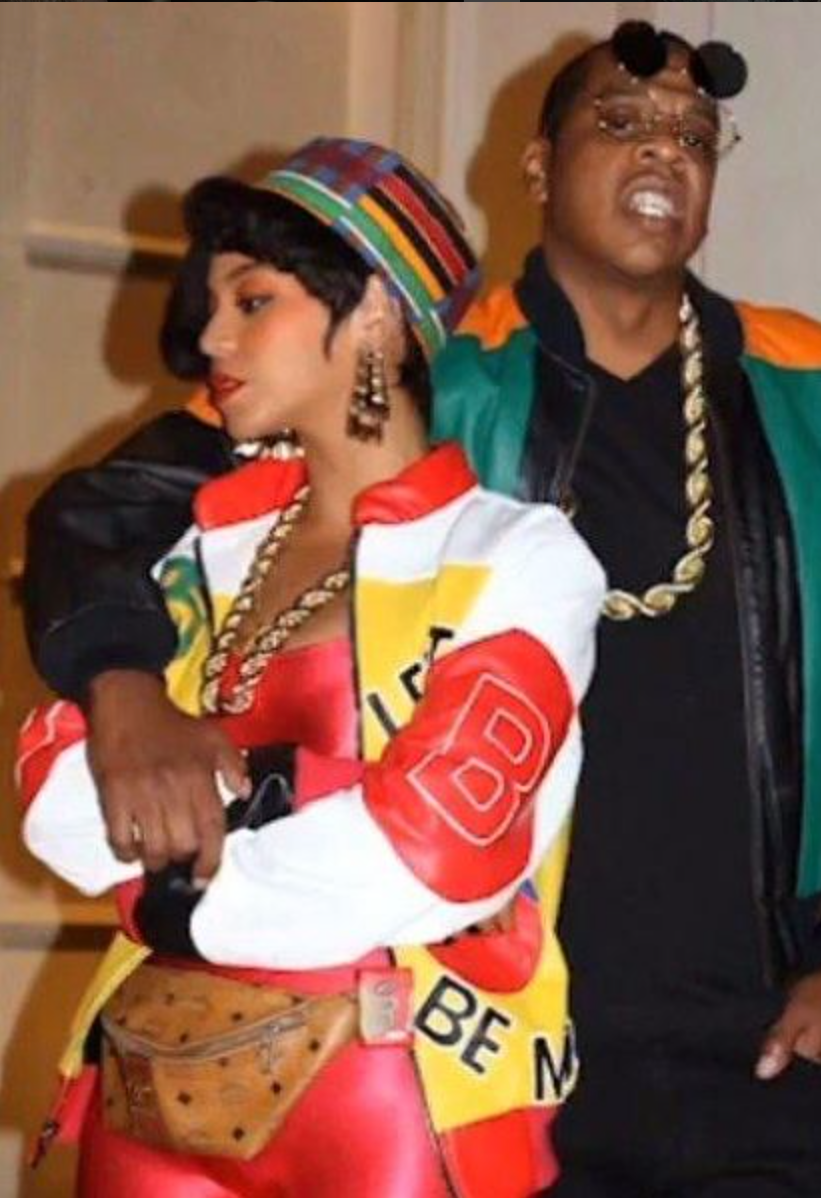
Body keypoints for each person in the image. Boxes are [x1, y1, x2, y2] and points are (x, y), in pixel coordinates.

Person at [19, 18, 821, 1196]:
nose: (660, 149)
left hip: (748, 1064)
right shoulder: (400, 376)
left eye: (691, 133)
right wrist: (123, 688)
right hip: (466, 1054)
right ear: (536, 165)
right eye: (618, 121)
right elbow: (100, 514)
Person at [16, 136, 604, 1198]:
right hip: (150, 1080)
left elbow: (435, 847)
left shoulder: (515, 556)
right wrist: (297, 789)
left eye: (253, 301)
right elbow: (56, 791)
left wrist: (181, 883)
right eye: (213, 305)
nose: (210, 337)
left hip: (389, 1095)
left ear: (374, 310)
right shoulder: (199, 542)